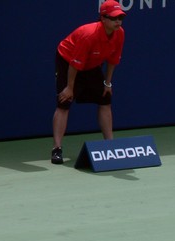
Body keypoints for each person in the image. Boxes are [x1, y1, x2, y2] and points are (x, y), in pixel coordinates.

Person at [50, 0, 126, 164]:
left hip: (91, 64)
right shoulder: (89, 34)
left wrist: (107, 83)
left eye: (120, 18)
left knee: (105, 100)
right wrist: (70, 88)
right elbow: (74, 64)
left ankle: (110, 146)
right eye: (113, 18)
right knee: (64, 102)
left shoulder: (120, 33)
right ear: (103, 19)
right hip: (68, 61)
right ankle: (57, 149)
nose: (118, 22)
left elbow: (113, 60)